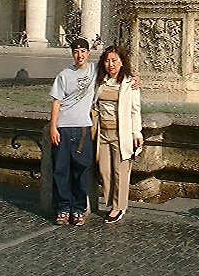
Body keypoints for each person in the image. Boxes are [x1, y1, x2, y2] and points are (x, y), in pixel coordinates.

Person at [49, 37, 96, 226]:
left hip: (83, 128)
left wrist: (134, 77)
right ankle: (63, 208)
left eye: (83, 51)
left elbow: (115, 67)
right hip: (63, 128)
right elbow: (56, 102)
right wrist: (53, 127)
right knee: (61, 171)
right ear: (72, 54)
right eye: (76, 52)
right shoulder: (64, 75)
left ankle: (78, 209)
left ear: (88, 53)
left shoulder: (95, 71)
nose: (80, 55)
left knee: (81, 171)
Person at [94, 45, 143, 224]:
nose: (111, 64)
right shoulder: (99, 80)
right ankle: (111, 202)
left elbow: (135, 110)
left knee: (120, 171)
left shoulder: (130, 83)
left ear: (122, 62)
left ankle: (118, 207)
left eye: (114, 60)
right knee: (104, 170)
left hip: (121, 133)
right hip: (102, 132)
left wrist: (137, 133)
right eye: (107, 61)